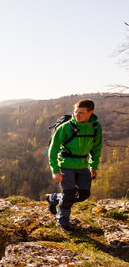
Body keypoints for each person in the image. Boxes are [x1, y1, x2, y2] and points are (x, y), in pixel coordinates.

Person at [46, 99, 103, 231]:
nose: (77, 115)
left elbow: (96, 148)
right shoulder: (66, 127)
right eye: (76, 112)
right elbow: (53, 149)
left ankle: (54, 198)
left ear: (91, 112)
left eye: (81, 113)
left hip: (82, 165)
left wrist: (94, 166)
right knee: (69, 192)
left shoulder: (95, 127)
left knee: (83, 194)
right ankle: (62, 220)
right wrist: (55, 170)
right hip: (65, 164)